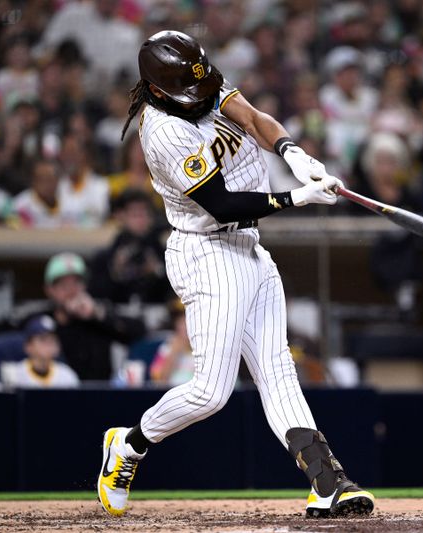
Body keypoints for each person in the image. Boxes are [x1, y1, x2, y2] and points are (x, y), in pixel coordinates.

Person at [97, 31, 374, 519]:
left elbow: (251, 117)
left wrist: (292, 154)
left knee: (278, 372)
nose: (201, 95)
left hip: (250, 247)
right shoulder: (162, 131)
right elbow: (221, 203)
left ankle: (328, 483)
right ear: (158, 89)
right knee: (210, 392)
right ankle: (130, 443)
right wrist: (295, 198)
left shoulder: (198, 78)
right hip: (207, 250)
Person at [40, 252, 146, 380]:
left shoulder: (97, 316)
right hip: (54, 394)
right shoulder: (41, 322)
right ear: (49, 290)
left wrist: (96, 314)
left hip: (98, 394)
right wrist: (62, 321)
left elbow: (139, 332)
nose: (71, 290)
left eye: (76, 283)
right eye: (63, 285)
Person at [88, 188, 171, 304]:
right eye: (135, 214)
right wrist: (115, 273)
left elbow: (171, 294)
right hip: (119, 312)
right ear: (120, 216)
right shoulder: (106, 257)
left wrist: (157, 272)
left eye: (145, 213)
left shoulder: (164, 253)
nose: (141, 220)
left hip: (154, 312)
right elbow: (97, 295)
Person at [0, 315, 79, 389]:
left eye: (53, 340)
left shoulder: (67, 375)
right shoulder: (14, 375)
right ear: (28, 346)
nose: (49, 344)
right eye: (43, 339)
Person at [149, 299, 193, 386]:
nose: (184, 326)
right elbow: (158, 380)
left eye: (188, 320)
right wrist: (174, 352)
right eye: (181, 321)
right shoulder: (167, 347)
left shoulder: (205, 347)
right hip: (172, 393)